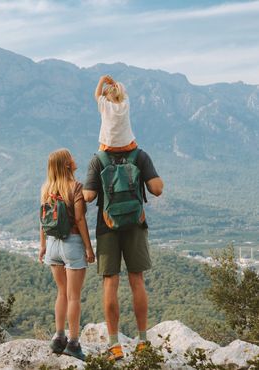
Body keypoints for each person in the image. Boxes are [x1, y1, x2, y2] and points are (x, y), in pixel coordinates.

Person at [83, 82, 164, 360]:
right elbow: (157, 189)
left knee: (110, 283)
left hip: (107, 228)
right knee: (137, 281)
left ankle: (115, 344)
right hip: (136, 226)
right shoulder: (139, 156)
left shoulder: (99, 159)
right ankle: (143, 341)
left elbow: (90, 196)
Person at [39, 148, 95, 361]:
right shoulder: (76, 187)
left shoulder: (46, 189)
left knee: (61, 293)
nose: (74, 159)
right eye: (71, 157)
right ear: (66, 165)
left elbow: (42, 220)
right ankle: (73, 342)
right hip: (71, 244)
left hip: (53, 245)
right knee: (74, 296)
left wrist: (42, 246)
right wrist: (89, 248)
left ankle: (58, 336)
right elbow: (80, 220)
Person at [96, 75, 137, 153]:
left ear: (105, 98)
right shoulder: (125, 104)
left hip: (108, 146)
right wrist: (114, 83)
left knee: (96, 159)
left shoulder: (105, 106)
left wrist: (102, 79)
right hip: (127, 145)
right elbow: (124, 92)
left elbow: (97, 95)